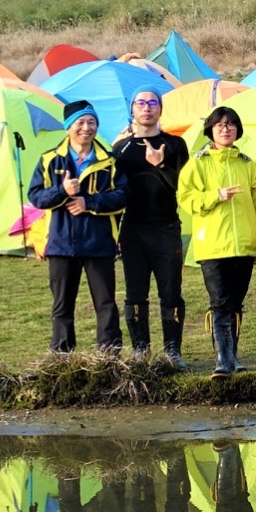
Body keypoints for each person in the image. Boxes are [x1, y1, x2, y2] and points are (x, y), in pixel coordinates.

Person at [28, 98, 128, 354]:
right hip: (61, 243)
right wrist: (61, 191)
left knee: (105, 302)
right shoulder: (50, 160)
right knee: (62, 304)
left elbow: (123, 196)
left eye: (92, 122)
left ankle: (110, 354)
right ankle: (61, 354)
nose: (87, 127)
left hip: (99, 242)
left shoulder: (110, 161)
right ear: (68, 126)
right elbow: (36, 196)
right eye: (80, 122)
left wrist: (88, 202)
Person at [178, 106, 256, 377]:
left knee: (236, 303)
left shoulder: (247, 163)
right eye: (219, 125)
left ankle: (233, 357)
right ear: (211, 130)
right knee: (220, 301)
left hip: (244, 245)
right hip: (213, 245)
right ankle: (222, 360)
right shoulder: (199, 162)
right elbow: (186, 198)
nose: (225, 129)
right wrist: (215, 195)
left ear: (238, 130)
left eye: (230, 125)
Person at [111, 88, 190, 366]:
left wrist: (161, 165)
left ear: (160, 109)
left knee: (170, 292)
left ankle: (172, 351)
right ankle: (140, 350)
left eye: (152, 102)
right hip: (133, 229)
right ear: (132, 109)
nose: (147, 108)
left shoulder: (176, 145)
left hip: (166, 228)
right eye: (141, 103)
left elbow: (182, 187)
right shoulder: (121, 149)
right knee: (135, 292)